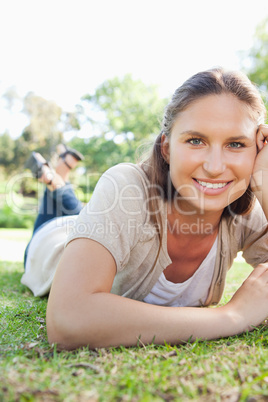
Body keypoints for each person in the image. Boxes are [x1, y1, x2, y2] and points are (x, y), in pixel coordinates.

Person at [22, 68, 268, 351]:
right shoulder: (126, 185)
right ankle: (53, 180)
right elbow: (68, 320)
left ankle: (55, 177)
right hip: (50, 242)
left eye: (236, 144)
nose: (214, 167)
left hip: (96, 222)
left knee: (77, 209)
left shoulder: (245, 212)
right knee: (65, 210)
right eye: (195, 141)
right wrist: (230, 316)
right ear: (166, 148)